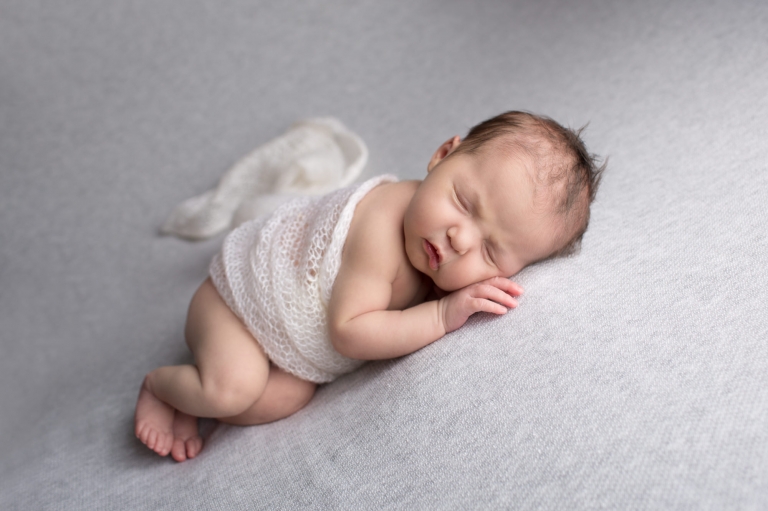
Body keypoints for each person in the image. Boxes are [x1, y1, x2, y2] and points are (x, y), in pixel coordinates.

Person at [135, 111, 605, 462]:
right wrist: (442, 314)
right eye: (463, 202)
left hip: (287, 344)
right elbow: (350, 333)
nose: (460, 239)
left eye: (491, 252)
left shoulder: (435, 254)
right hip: (236, 303)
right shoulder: (382, 225)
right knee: (234, 389)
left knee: (286, 398)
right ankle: (161, 387)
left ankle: (193, 397)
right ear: (443, 155)